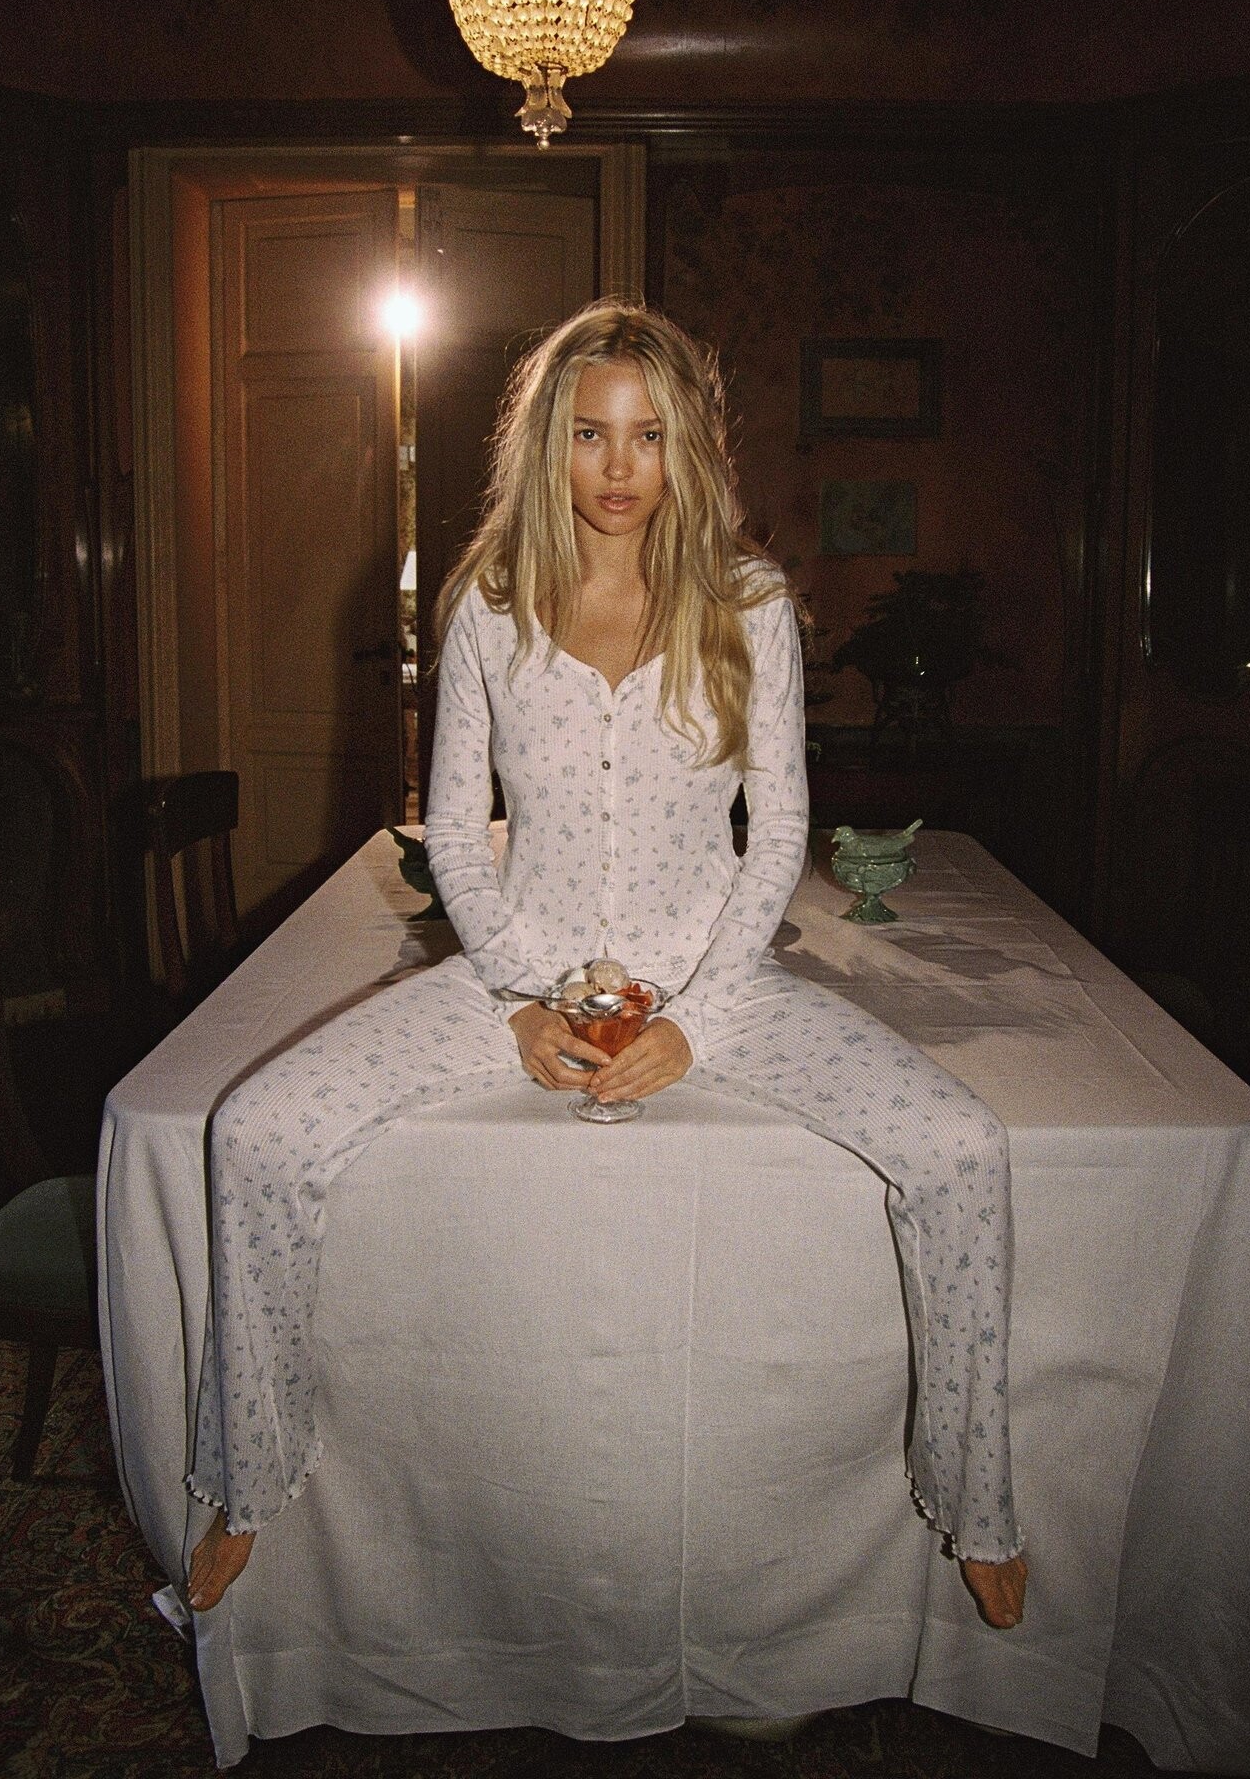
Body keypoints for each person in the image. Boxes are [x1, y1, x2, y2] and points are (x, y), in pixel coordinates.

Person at [187, 300, 1027, 1635]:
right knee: (256, 1132)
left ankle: (979, 1502)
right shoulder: (489, 609)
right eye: (589, 434)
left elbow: (779, 836)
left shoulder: (751, 605)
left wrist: (699, 1021)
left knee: (963, 1150)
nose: (619, 465)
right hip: (514, 975)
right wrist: (524, 1000)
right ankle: (247, 1478)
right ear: (549, 445)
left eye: (647, 435)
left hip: (715, 978)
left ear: (688, 447)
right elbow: (455, 832)